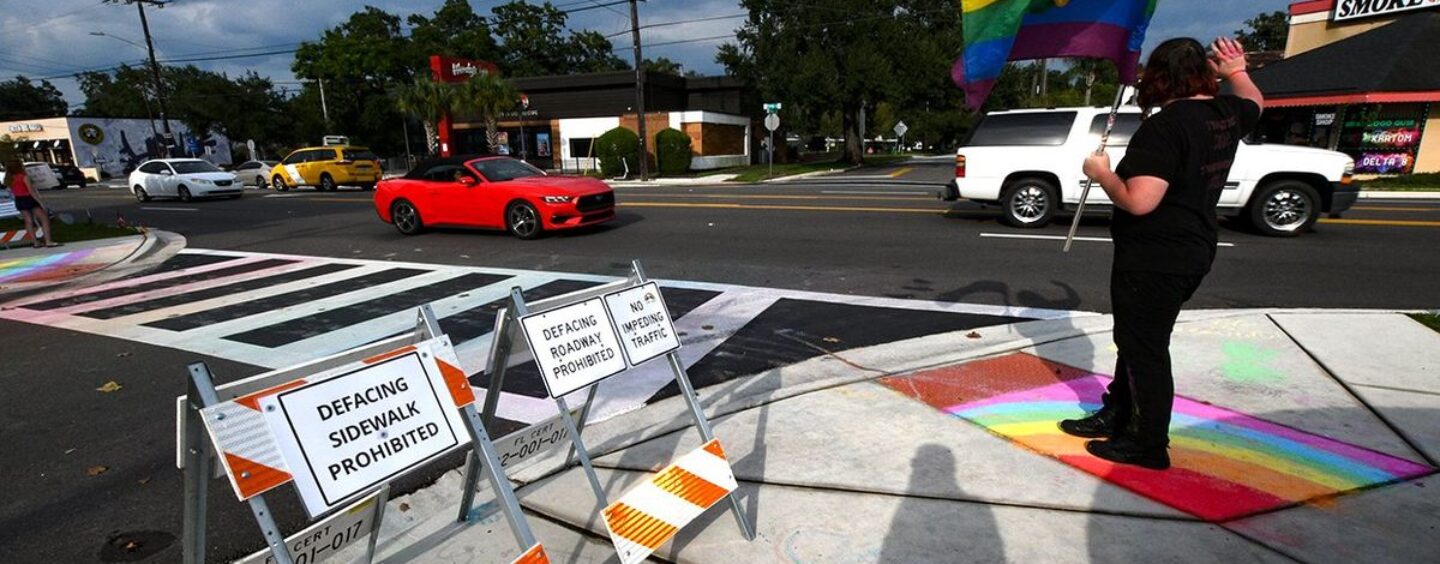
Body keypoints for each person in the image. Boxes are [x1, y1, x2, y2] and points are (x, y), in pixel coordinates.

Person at [1059, 37, 1264, 470]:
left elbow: (1139, 201)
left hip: (1155, 256)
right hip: (1192, 249)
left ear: (1159, 78)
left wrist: (1102, 174)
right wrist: (1238, 71)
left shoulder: (1166, 127)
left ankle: (1147, 442)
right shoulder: (1225, 113)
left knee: (1146, 349)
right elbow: (1255, 101)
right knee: (1136, 341)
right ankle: (1119, 413)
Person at [3, 158, 60, 248]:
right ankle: (48, 241)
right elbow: (31, 191)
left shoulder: (9, 179)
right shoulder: (24, 177)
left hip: (19, 199)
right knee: (44, 218)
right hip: (29, 198)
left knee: (28, 221)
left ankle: (35, 242)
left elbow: (11, 191)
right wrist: (40, 202)